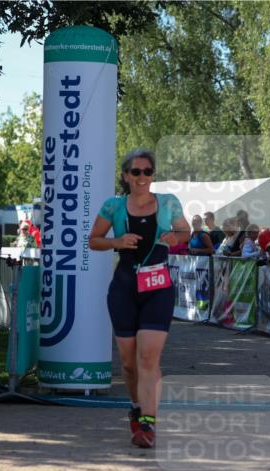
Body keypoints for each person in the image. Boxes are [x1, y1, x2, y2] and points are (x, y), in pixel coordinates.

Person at [88, 148, 189, 449]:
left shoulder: (168, 203)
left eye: (147, 171)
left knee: (148, 357)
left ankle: (148, 423)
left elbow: (186, 231)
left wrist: (176, 237)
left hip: (158, 287)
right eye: (136, 172)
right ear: (126, 176)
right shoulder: (113, 206)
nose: (142, 177)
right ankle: (135, 405)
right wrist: (117, 242)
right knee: (129, 364)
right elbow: (93, 240)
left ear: (153, 175)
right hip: (124, 288)